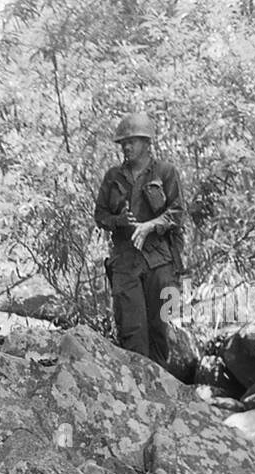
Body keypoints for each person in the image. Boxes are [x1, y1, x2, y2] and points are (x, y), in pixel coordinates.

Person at [93, 112, 185, 366]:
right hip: (125, 262)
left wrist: (150, 226)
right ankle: (138, 386)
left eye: (131, 142)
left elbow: (177, 213)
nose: (126, 147)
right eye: (123, 143)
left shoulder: (165, 172)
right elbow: (100, 215)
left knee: (160, 329)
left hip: (159, 261)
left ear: (146, 143)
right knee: (132, 332)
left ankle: (162, 384)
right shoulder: (113, 177)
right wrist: (118, 220)